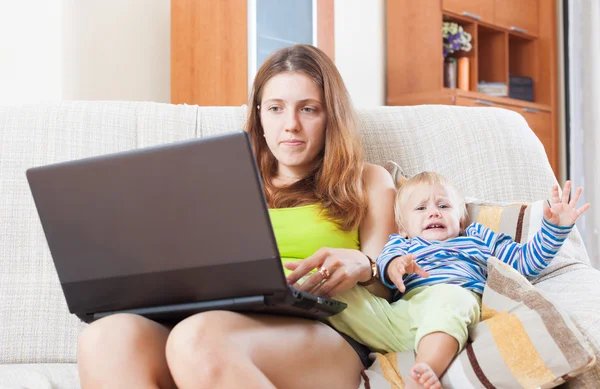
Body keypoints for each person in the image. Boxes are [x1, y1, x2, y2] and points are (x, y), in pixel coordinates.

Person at [77, 44, 402, 389]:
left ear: (331, 117)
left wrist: (364, 265)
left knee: (198, 339)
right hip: (212, 322)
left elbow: (387, 287)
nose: (290, 125)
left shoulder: (368, 180)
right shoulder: (221, 180)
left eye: (308, 109)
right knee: (106, 338)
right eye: (276, 108)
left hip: (324, 327)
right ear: (259, 115)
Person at [326, 172, 590, 389]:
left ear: (461, 218)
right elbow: (383, 264)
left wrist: (555, 229)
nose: (433, 213)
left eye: (443, 206)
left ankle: (424, 371)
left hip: (452, 306)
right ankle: (293, 298)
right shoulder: (401, 243)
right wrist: (395, 265)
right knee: (341, 293)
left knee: (451, 299)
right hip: (401, 317)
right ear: (403, 228)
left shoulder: (476, 237)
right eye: (421, 208)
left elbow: (525, 263)